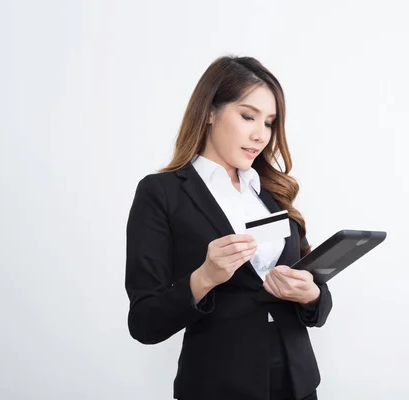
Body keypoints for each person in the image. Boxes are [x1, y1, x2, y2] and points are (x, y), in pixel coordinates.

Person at [125, 55, 332, 400]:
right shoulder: (161, 193)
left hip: (298, 384)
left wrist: (311, 295)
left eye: (269, 122)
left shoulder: (273, 192)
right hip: (218, 386)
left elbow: (316, 297)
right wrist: (204, 277)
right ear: (209, 112)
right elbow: (144, 322)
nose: (260, 135)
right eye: (248, 116)